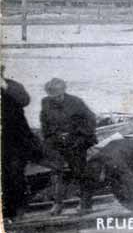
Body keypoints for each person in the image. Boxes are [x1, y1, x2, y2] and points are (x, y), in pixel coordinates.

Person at [40, 78, 97, 215]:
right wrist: (53, 136)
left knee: (80, 172)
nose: (56, 99)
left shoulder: (76, 102)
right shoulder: (46, 102)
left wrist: (76, 135)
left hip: (77, 142)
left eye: (58, 96)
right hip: (57, 142)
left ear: (64, 91)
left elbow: (91, 120)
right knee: (56, 172)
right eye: (52, 96)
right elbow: (44, 122)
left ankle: (85, 203)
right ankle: (58, 204)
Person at [1, 66, 44, 221]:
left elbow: (24, 100)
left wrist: (4, 86)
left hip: (15, 141)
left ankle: (17, 211)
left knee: (15, 175)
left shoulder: (13, 86)